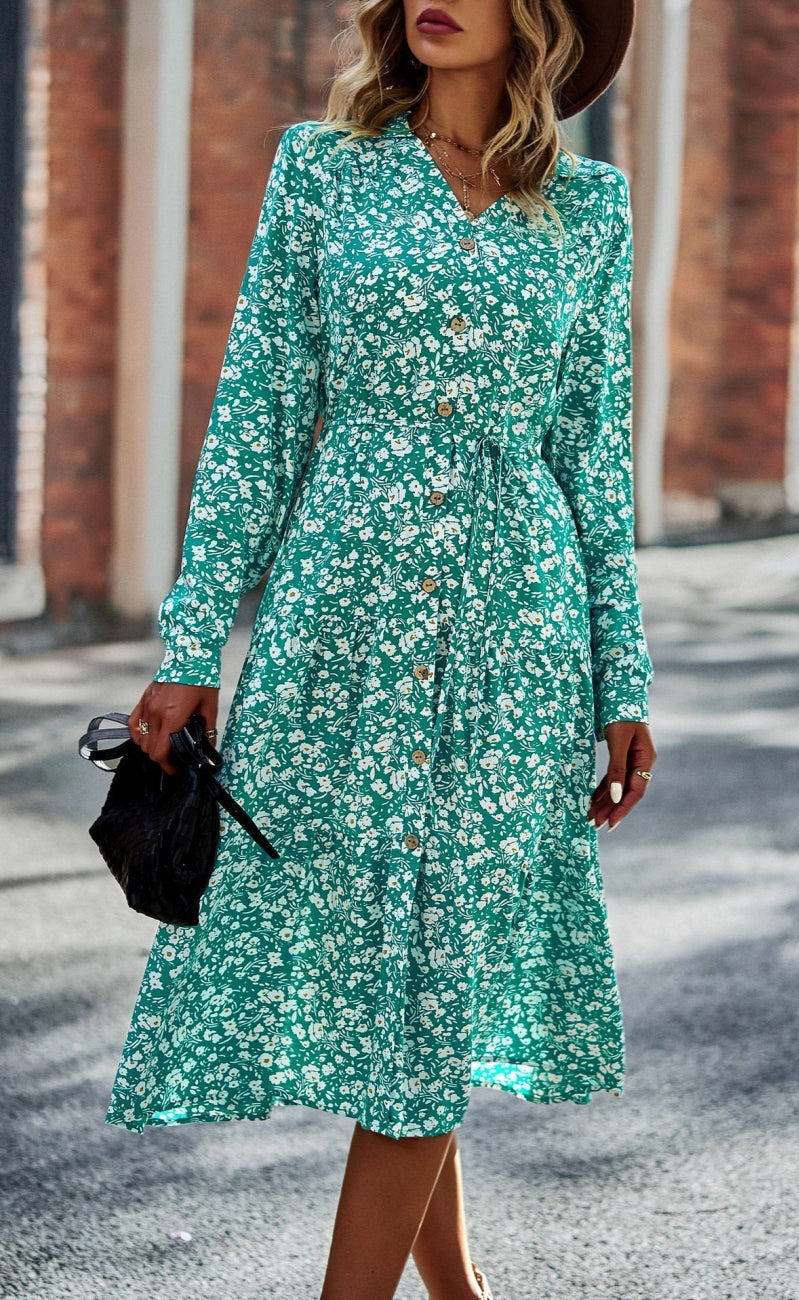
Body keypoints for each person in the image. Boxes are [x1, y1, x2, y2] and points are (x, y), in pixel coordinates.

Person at [106, 1, 657, 1296]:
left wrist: (622, 677)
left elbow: (591, 455)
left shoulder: (592, 209)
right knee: (405, 992)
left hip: (518, 642)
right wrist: (192, 642)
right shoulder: (326, 169)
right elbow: (257, 412)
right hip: (339, 635)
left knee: (437, 977)